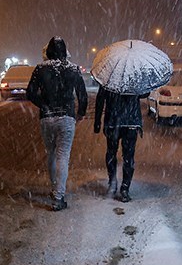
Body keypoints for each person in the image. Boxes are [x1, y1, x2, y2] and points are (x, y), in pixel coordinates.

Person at [26, 36, 88, 211]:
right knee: (63, 156)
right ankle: (58, 196)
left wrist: (44, 105)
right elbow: (82, 95)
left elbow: (30, 93)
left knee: (51, 153)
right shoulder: (73, 69)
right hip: (67, 117)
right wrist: (80, 113)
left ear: (49, 51)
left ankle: (54, 188)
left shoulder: (40, 69)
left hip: (47, 118)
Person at [93, 83, 149, 202]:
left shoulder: (109, 79)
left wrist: (97, 121)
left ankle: (112, 184)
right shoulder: (135, 78)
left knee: (111, 153)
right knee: (128, 156)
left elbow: (100, 99)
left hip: (113, 121)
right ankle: (125, 189)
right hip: (131, 122)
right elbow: (145, 93)